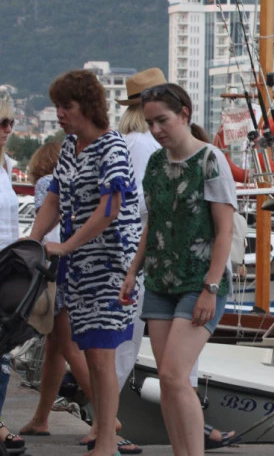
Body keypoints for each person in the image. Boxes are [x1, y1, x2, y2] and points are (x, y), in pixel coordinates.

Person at [29, 70, 142, 456]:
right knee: (91, 354)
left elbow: (110, 208)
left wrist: (65, 245)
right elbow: (54, 198)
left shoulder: (112, 147)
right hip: (78, 270)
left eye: (66, 106)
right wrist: (32, 240)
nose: (59, 113)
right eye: (57, 106)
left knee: (101, 356)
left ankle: (107, 441)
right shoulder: (69, 146)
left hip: (110, 267)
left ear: (88, 106)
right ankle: (103, 431)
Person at [120, 82, 236, 456]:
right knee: (169, 381)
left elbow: (225, 231)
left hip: (200, 281)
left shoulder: (210, 161)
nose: (156, 130)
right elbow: (152, 224)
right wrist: (132, 271)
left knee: (173, 374)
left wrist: (211, 288)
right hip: (159, 281)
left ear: (184, 114)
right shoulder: (156, 164)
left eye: (163, 120)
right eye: (150, 123)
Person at [0, 98, 25, 454]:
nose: (7, 130)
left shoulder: (6, 165)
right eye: (1, 123)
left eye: (10, 123)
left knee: (4, 352)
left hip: (6, 268)